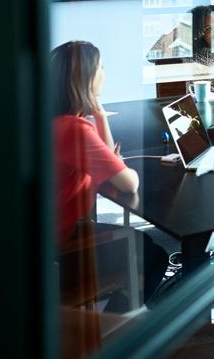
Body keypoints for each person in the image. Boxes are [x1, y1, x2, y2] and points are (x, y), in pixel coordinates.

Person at [53, 41, 169, 310]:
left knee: (146, 244)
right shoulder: (76, 130)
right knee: (153, 256)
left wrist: (100, 115)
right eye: (101, 67)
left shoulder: (54, 121)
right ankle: (116, 332)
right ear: (87, 78)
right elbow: (128, 183)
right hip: (60, 248)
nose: (105, 73)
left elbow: (107, 167)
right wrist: (116, 162)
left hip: (41, 235)